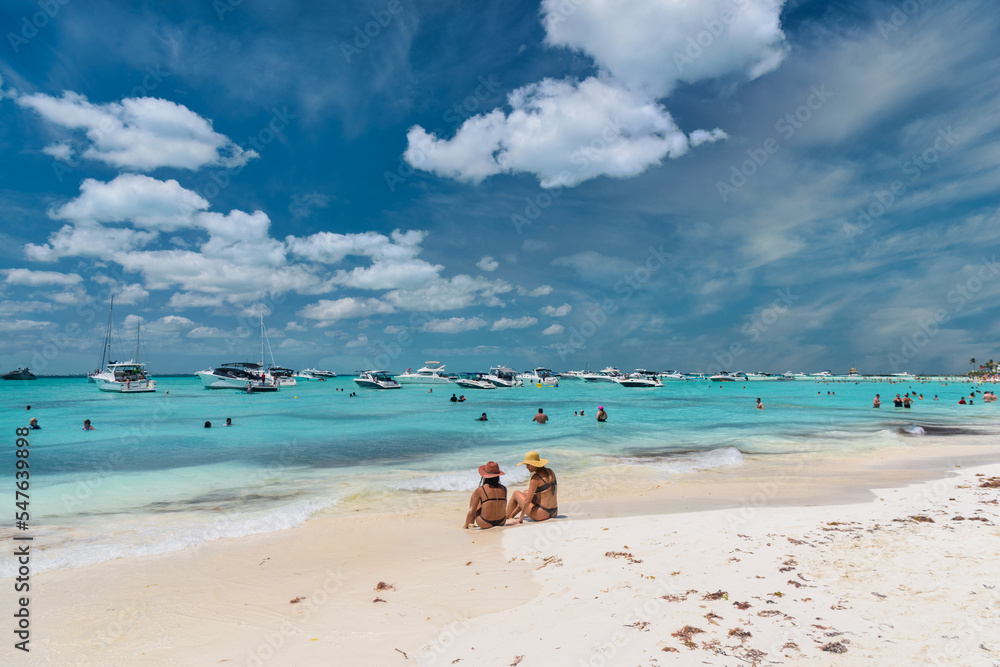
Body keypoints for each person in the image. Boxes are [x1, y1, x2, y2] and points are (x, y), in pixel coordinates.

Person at [507, 451, 557, 524]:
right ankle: (511, 516)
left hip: (541, 514)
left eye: (528, 465)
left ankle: (506, 516)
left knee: (516, 493)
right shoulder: (550, 472)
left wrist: (521, 518)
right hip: (554, 512)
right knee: (525, 492)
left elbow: (527, 500)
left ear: (534, 464)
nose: (527, 467)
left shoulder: (535, 478)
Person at [464, 462, 507, 529]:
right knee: (488, 501)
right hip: (501, 521)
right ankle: (471, 522)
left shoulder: (480, 490)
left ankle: (471, 523)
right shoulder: (504, 488)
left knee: (475, 499)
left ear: (485, 476)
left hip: (485, 522)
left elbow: (471, 512)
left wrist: (465, 526)